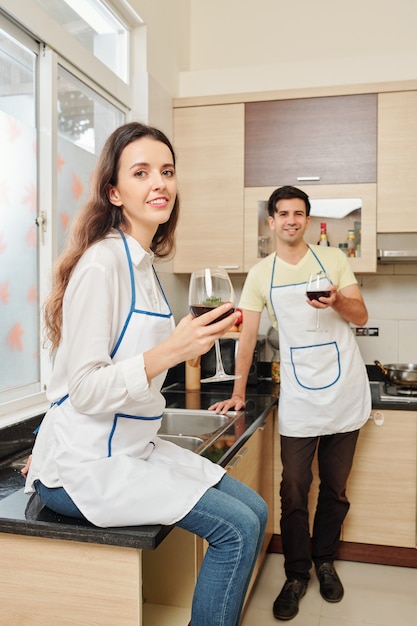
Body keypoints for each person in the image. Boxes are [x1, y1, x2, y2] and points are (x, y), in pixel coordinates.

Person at [24, 122, 267, 626]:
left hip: (131, 451)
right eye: (141, 173)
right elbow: (87, 389)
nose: (159, 183)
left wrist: (185, 343)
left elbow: (136, 363)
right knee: (237, 531)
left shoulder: (144, 265)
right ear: (115, 192)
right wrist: (172, 349)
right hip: (87, 469)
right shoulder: (102, 265)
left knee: (256, 513)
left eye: (167, 171)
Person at [210, 185, 371, 621]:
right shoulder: (262, 274)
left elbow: (361, 316)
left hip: (345, 391)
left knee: (336, 489)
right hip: (300, 394)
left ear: (306, 218)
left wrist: (338, 299)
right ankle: (297, 573)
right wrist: (239, 391)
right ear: (271, 221)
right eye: (282, 213)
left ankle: (325, 562)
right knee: (295, 488)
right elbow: (248, 336)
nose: (291, 220)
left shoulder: (334, 260)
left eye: (298, 213)